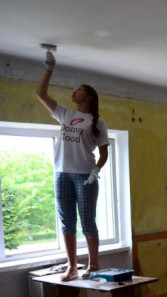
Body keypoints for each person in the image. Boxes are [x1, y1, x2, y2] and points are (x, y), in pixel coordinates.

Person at [35, 50, 109, 281]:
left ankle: (93, 265)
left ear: (89, 97)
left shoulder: (97, 121)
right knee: (67, 222)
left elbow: (104, 152)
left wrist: (96, 170)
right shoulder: (65, 114)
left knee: (87, 221)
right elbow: (40, 93)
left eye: (79, 90)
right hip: (62, 173)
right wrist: (49, 69)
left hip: (85, 175)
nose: (74, 92)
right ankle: (72, 266)